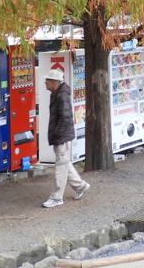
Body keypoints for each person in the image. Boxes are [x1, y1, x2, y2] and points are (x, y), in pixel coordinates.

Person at [43, 67, 89, 208]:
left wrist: (57, 133)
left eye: (47, 80)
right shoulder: (58, 94)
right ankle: (80, 186)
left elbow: (66, 118)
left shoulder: (61, 96)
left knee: (61, 166)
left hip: (62, 135)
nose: (45, 83)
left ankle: (57, 197)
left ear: (54, 82)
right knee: (64, 163)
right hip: (62, 135)